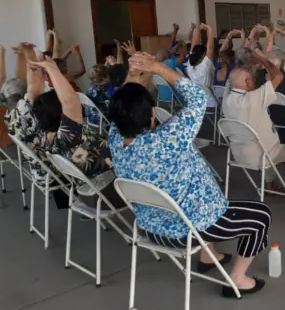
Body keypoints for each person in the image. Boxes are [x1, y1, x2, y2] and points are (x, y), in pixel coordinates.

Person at [109, 53, 269, 298]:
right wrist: (158, 67)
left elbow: (123, 104)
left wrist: (133, 73)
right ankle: (238, 279)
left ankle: (209, 255)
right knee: (260, 216)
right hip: (188, 228)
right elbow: (197, 98)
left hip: (150, 227)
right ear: (152, 114)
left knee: (197, 194)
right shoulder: (168, 138)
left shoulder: (116, 138)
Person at [7, 46, 121, 209]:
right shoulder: (66, 139)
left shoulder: (29, 126)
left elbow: (33, 89)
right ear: (61, 116)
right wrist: (53, 70)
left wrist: (34, 65)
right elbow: (71, 103)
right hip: (103, 195)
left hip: (68, 183)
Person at [222, 49, 285, 206]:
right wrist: (263, 59)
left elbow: (233, 78)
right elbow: (278, 76)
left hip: (239, 154)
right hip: (266, 154)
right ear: (248, 83)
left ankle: (270, 184)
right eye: (252, 80)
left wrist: (251, 62)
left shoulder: (227, 98)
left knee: (263, 142)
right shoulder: (254, 99)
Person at [0, 43, 27, 150]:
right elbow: (1, 77)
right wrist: (1, 51)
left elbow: (0, 78)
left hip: (7, 142)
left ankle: (21, 55)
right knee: (15, 90)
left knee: (15, 89)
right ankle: (21, 55)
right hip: (11, 143)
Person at [186, 23, 217, 108]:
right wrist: (209, 29)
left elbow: (193, 45)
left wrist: (197, 29)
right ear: (203, 55)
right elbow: (210, 48)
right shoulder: (204, 66)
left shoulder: (190, 66)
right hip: (211, 104)